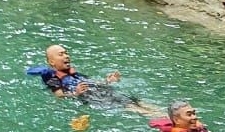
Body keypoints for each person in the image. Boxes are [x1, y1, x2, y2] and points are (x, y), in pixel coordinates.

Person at [26, 44, 159, 115]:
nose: (66, 56)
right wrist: (75, 93)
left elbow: (92, 83)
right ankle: (164, 119)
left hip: (100, 91)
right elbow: (59, 96)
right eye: (61, 54)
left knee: (134, 100)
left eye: (66, 52)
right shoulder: (52, 77)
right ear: (52, 62)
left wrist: (107, 81)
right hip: (91, 97)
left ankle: (165, 114)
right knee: (128, 106)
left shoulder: (74, 73)